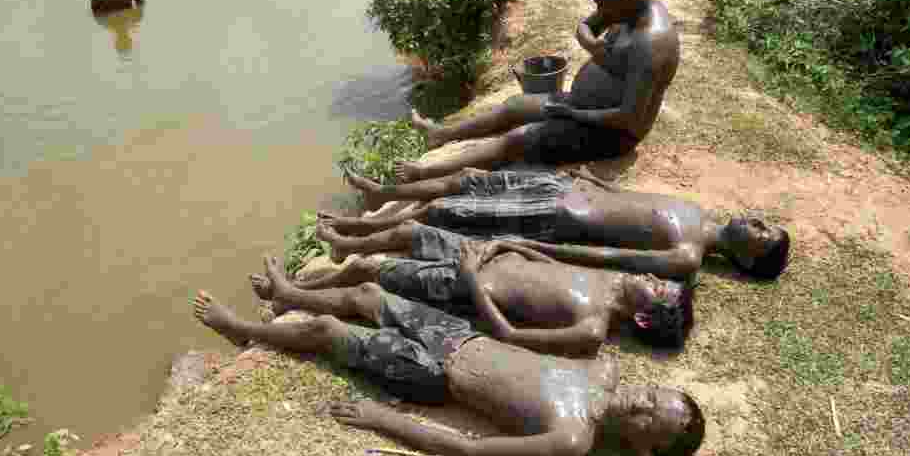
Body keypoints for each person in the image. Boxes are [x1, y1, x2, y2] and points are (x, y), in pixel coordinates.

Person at [193, 265, 706, 456]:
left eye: (646, 418)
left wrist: (384, 419)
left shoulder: (570, 440)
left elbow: (469, 448)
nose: (639, 402)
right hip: (463, 336)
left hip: (434, 376)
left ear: (642, 449)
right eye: (652, 395)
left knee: (326, 333)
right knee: (369, 293)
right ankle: (292, 293)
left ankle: (246, 330)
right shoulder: (604, 370)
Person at [397, 0, 680, 183]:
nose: (602, 12)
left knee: (519, 139)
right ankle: (441, 134)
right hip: (582, 106)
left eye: (605, 5)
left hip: (612, 134)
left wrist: (573, 114)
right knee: (514, 107)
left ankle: (421, 173)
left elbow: (629, 118)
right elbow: (585, 27)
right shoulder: (626, 9)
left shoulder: (650, 44)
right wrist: (593, 46)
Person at [251, 226, 694, 356]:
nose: (652, 279)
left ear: (642, 319)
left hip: (463, 284)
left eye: (658, 290)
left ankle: (291, 294)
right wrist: (507, 245)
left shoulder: (592, 328)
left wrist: (471, 281)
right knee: (407, 231)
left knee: (369, 276)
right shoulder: (610, 281)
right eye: (660, 278)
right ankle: (311, 274)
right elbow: (550, 265)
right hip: (483, 255)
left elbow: (511, 337)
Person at [323, 166, 790, 281]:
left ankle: (352, 239)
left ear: (747, 259)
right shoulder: (697, 212)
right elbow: (633, 202)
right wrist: (591, 182)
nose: (757, 221)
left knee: (443, 213)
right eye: (765, 222)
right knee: (467, 181)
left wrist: (538, 251)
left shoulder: (687, 257)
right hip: (561, 188)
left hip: (552, 217)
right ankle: (383, 196)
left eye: (762, 233)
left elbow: (608, 257)